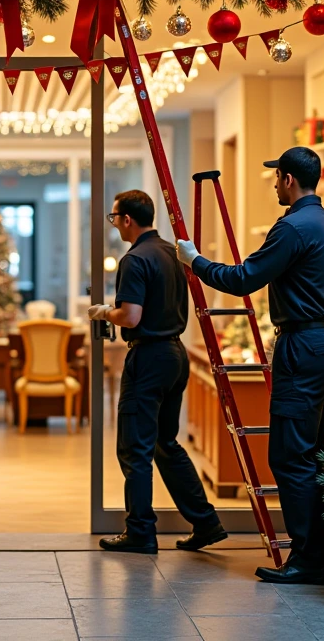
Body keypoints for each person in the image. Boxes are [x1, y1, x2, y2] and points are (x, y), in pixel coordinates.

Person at [175, 146, 324, 585]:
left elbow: (242, 280)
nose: (273, 183)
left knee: (290, 456)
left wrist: (194, 260)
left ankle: (309, 560)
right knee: (312, 451)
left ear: (289, 179)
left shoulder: (292, 227)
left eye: (276, 177)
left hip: (303, 343)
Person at [88, 190, 226, 554]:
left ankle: (140, 532)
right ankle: (206, 522)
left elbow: (131, 316)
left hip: (147, 358)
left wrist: (103, 312)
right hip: (175, 354)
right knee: (165, 444)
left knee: (135, 448)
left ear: (127, 220)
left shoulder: (134, 260)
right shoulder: (171, 252)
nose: (114, 223)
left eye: (114, 217)